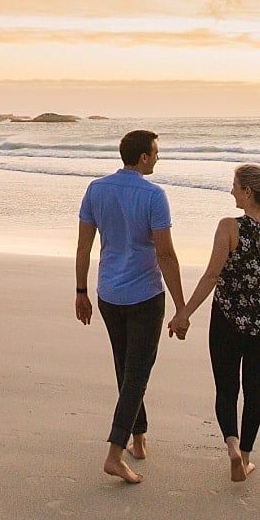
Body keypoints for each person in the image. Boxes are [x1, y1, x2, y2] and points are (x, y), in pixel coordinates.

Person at [169, 163, 260, 482]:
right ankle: (247, 457)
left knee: (226, 388)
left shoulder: (229, 227)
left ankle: (233, 447)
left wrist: (185, 313)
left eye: (234, 185)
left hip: (227, 319)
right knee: (254, 389)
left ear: (248, 192)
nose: (231, 190)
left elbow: (211, 276)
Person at [75, 129, 188, 484]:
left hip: (108, 293)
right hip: (143, 296)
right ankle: (114, 453)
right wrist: (181, 307)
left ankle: (138, 440)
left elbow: (83, 247)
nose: (157, 158)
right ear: (142, 157)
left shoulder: (97, 189)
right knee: (136, 374)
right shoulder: (154, 196)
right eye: (155, 152)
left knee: (127, 370)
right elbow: (166, 255)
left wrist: (81, 291)